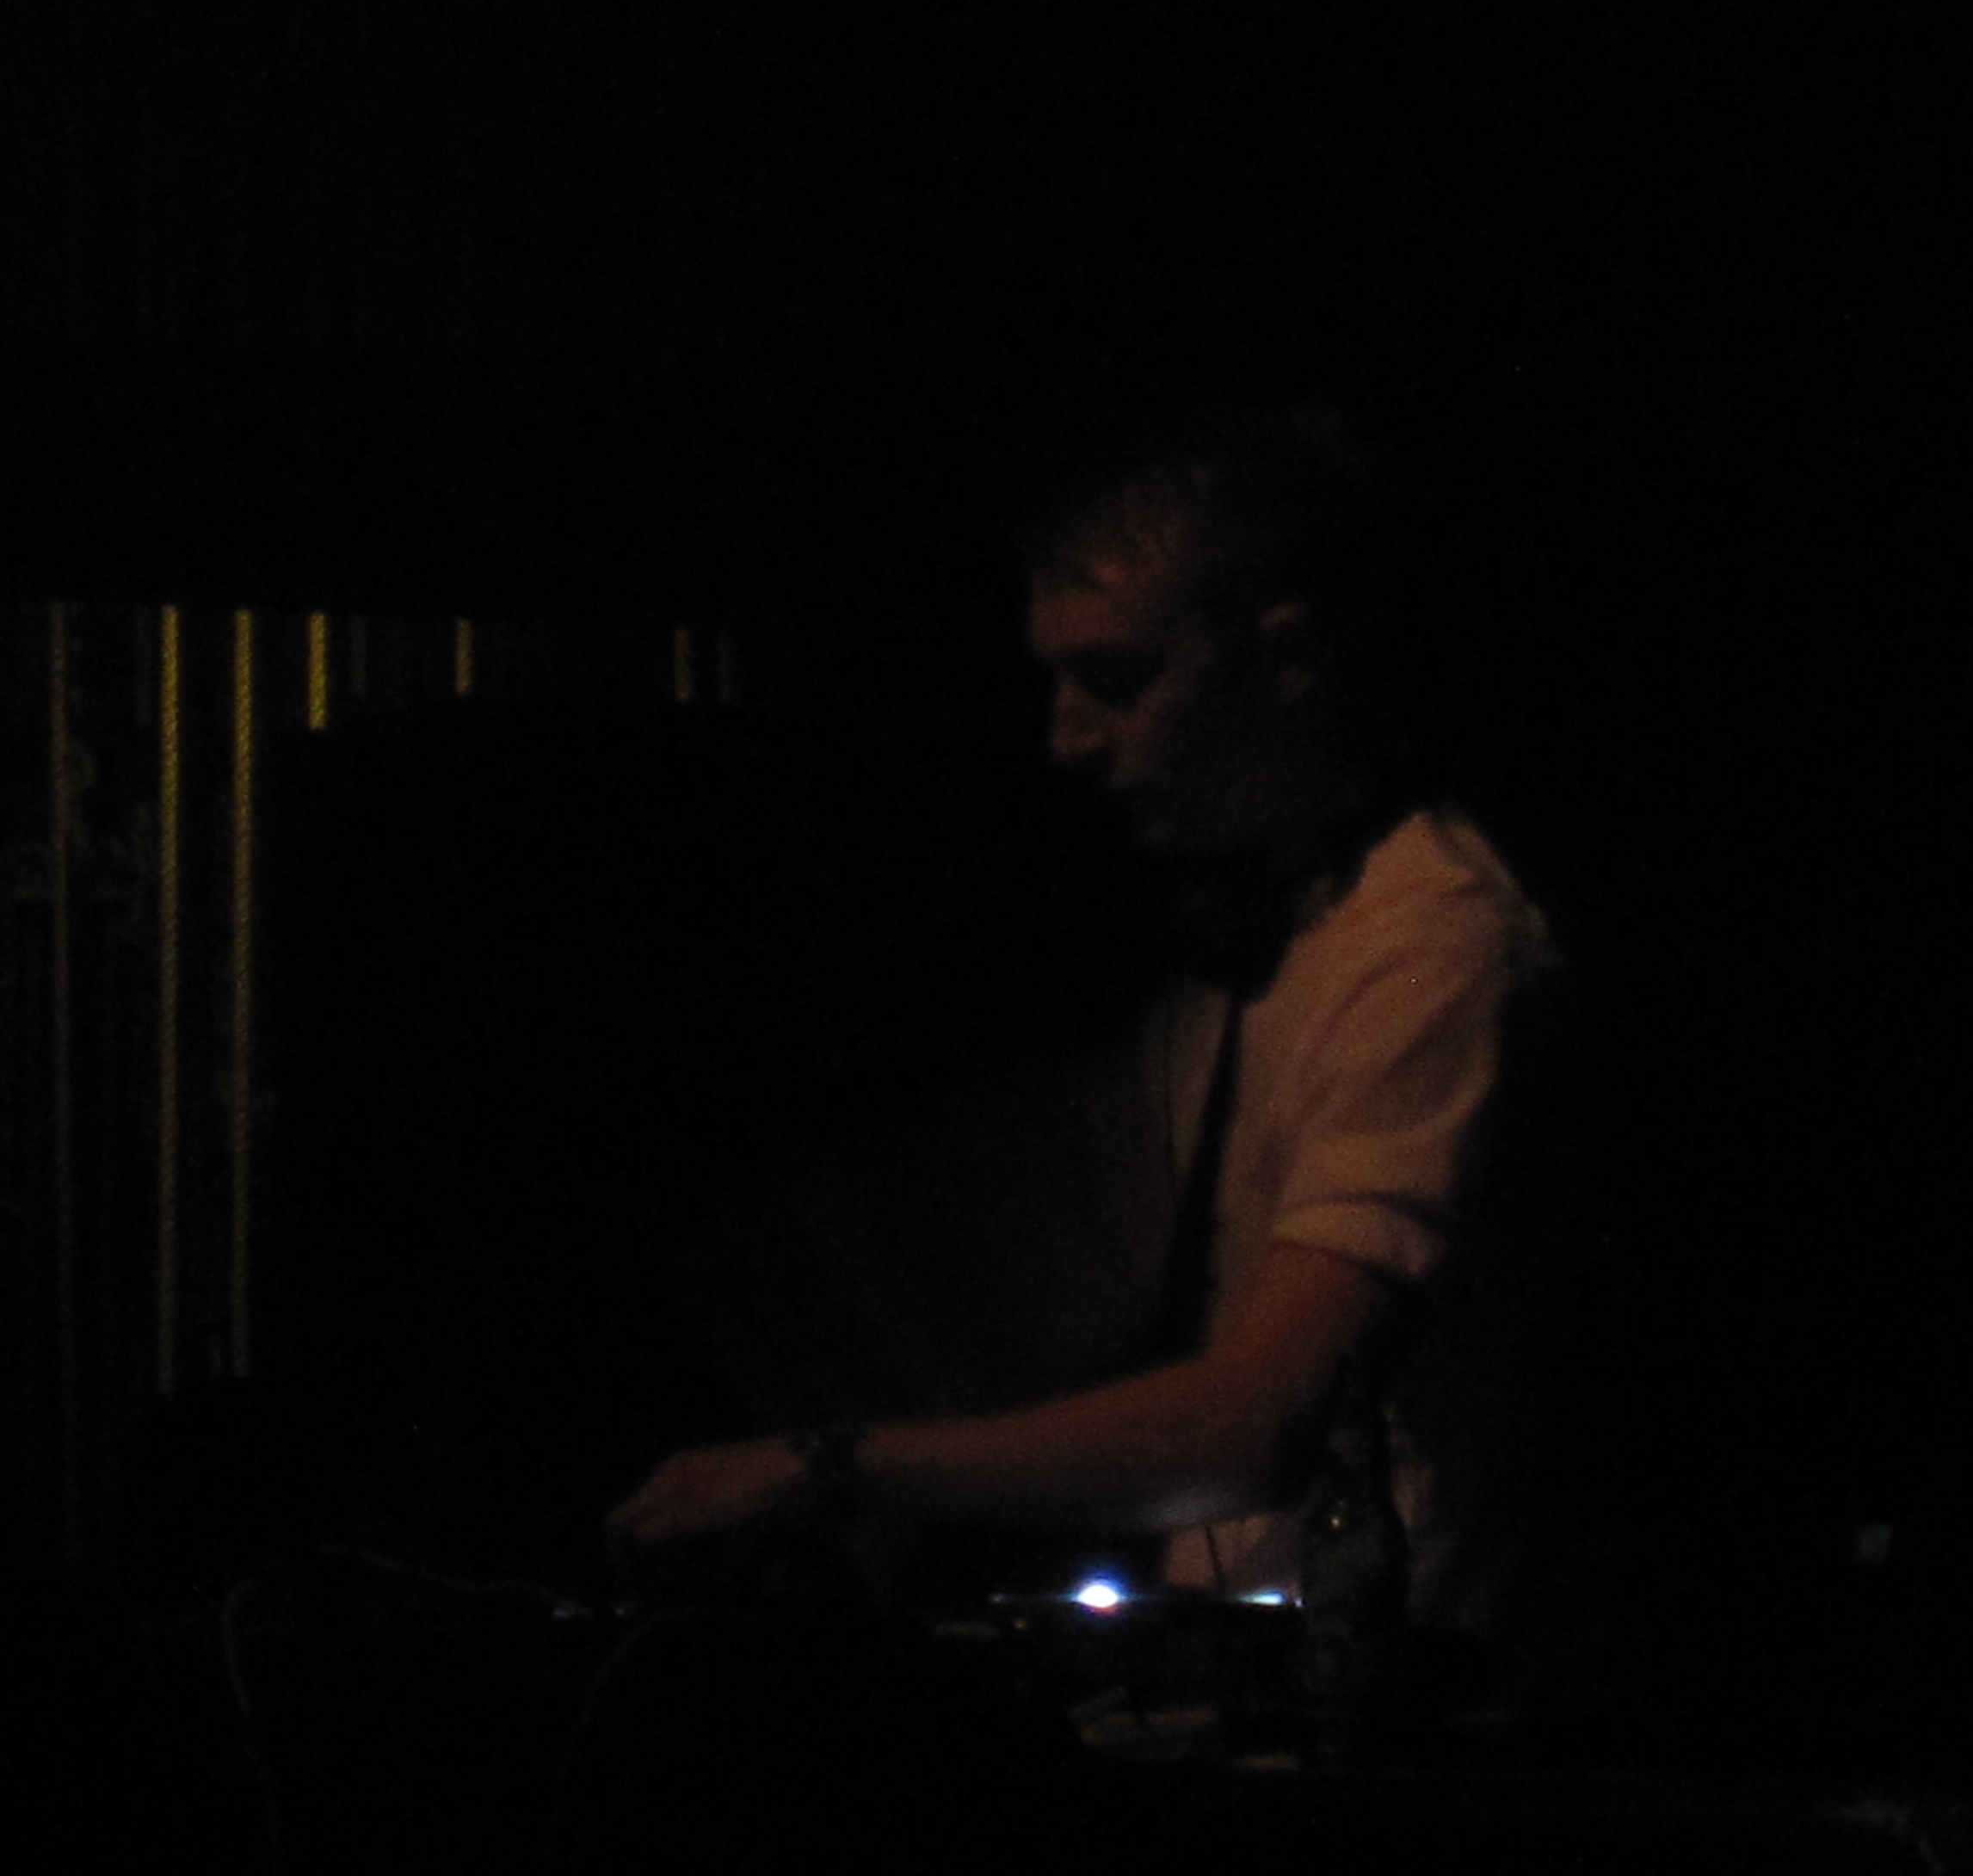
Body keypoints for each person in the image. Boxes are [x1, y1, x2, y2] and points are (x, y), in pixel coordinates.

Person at [605, 402, 1554, 1631]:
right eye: (1053, 681)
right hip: (1288, 1683)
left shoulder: (1436, 953)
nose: (1065, 740)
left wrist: (827, 1464)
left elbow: (1256, 1426)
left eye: (1114, 680)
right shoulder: (1261, 943)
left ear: (1288, 659)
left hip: (1427, 1717)